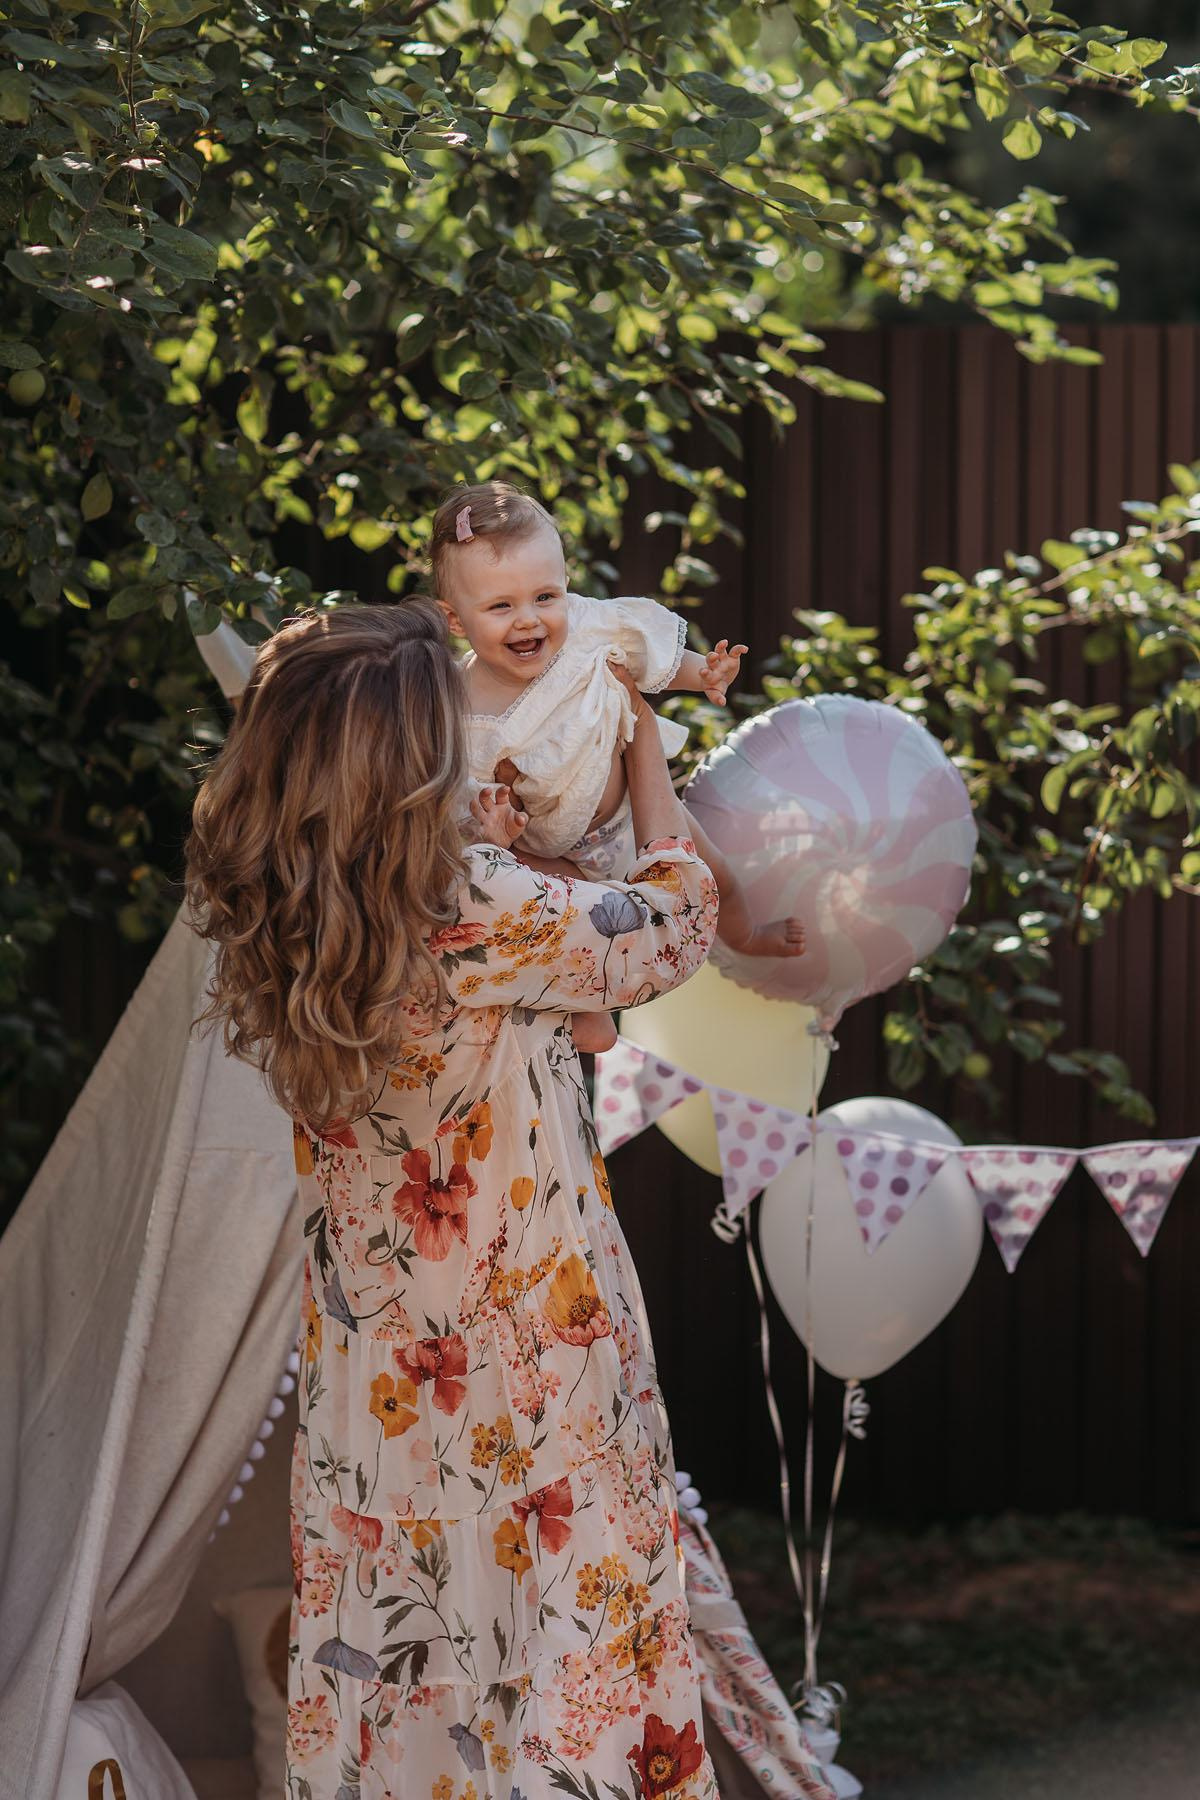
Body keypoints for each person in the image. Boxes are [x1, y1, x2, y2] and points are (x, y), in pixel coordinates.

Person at [185, 599, 726, 1798]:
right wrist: (643, 743)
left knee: (411, 1667)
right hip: (530, 1356)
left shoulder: (287, 906)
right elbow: (675, 925)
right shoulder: (469, 901)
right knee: (563, 1652)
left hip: (381, 1380)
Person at [431, 480, 805, 1055]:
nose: (529, 620)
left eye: (545, 596)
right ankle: (591, 1013)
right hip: (551, 848)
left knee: (716, 875)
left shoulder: (587, 629)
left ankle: (748, 934)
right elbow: (462, 790)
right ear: (455, 620)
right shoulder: (458, 703)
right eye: (501, 606)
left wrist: (701, 674)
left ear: (566, 587)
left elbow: (645, 652)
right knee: (578, 922)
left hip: (635, 811)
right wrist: (492, 824)